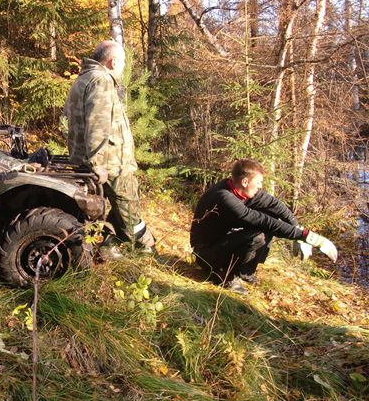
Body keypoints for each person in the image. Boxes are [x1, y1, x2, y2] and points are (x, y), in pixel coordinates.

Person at [190, 159, 338, 293]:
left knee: (271, 218)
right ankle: (225, 277)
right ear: (245, 182)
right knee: (258, 235)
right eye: (259, 182)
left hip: (221, 243)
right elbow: (263, 221)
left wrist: (296, 228)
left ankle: (246, 271)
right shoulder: (224, 197)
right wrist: (309, 237)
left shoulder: (241, 190)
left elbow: (274, 205)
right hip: (205, 253)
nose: (260, 186)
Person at [63, 40, 155, 256]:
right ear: (113, 62)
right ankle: (144, 251)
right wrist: (97, 164)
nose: (123, 69)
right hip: (112, 165)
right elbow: (98, 125)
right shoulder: (101, 80)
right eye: (122, 63)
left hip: (88, 160)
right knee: (129, 209)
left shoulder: (83, 79)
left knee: (114, 209)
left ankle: (108, 248)